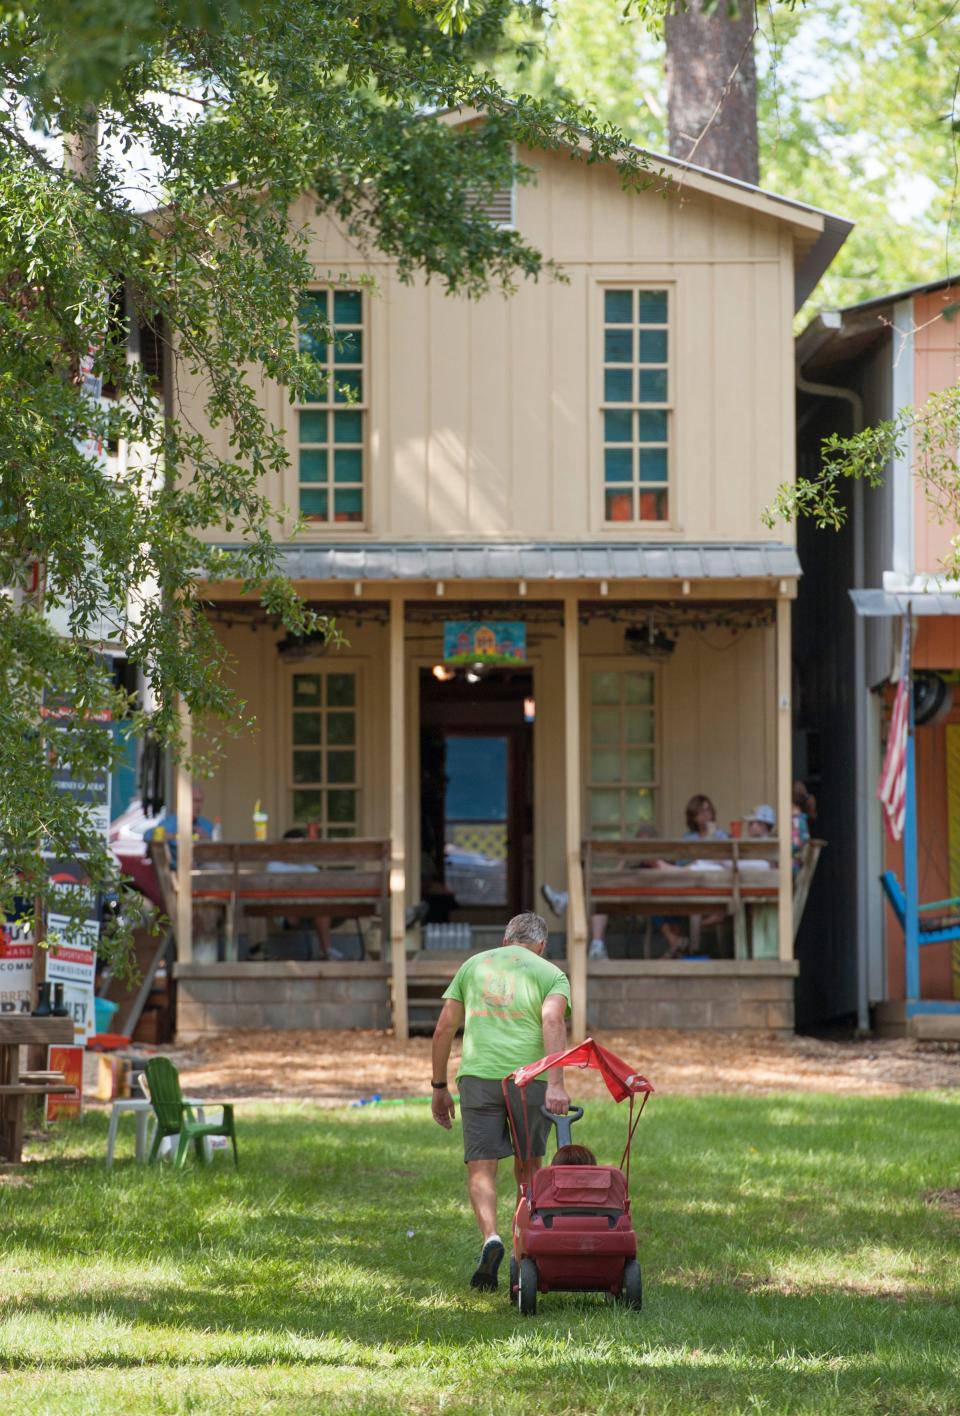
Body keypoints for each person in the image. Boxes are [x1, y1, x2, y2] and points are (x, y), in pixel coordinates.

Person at [430, 911, 571, 1291]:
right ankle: (522, 1252)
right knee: (528, 1167)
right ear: (541, 946)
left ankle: (491, 1237)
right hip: (529, 1079)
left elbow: (445, 1027)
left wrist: (439, 1085)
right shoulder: (550, 974)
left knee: (481, 1165)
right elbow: (553, 1022)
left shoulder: (473, 966)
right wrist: (555, 1083)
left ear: (506, 940)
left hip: (477, 1076)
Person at [541, 825, 686, 959]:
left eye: (645, 845)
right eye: (638, 846)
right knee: (600, 895)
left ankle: (566, 900)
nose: (641, 850)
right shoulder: (636, 863)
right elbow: (612, 877)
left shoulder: (662, 861)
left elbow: (670, 878)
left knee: (600, 894)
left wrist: (655, 861)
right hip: (625, 901)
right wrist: (625, 859)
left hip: (655, 902)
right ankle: (596, 944)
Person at [743, 804, 778, 958]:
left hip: (759, 886)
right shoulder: (758, 844)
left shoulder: (767, 845)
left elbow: (764, 866)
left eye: (752, 823)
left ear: (763, 826)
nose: (749, 827)